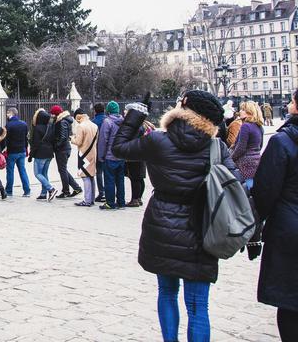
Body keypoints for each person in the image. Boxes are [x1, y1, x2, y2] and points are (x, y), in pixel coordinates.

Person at [113, 90, 242, 342]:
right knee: (197, 306)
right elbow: (236, 185)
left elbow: (119, 148)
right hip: (202, 227)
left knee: (167, 292)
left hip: (163, 223)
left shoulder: (159, 141)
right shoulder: (216, 147)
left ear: (183, 108)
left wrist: (136, 114)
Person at [253, 88, 298, 341]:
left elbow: (265, 189)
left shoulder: (283, 141)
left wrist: (258, 221)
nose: (289, 104)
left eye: (292, 100)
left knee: (290, 302)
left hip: (289, 229)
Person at [97, 101, 126, 210]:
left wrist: (101, 156)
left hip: (109, 156)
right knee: (120, 180)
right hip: (121, 155)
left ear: (108, 110)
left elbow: (103, 141)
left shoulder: (107, 122)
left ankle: (110, 202)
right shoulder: (123, 121)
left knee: (109, 180)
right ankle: (121, 202)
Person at [232, 100, 264, 190]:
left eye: (243, 109)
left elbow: (240, 148)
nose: (240, 111)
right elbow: (260, 146)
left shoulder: (245, 126)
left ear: (249, 112)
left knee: (246, 190)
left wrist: (230, 159)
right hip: (257, 162)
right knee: (254, 189)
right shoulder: (259, 126)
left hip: (245, 164)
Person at [50, 105, 81, 198]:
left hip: (62, 149)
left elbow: (63, 137)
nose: (52, 116)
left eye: (53, 114)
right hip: (64, 148)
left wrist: (56, 146)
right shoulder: (63, 120)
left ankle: (66, 191)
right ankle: (76, 188)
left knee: (62, 170)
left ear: (56, 114)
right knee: (63, 170)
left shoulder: (62, 122)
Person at [71, 108, 98, 207]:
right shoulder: (94, 125)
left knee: (85, 176)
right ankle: (92, 199)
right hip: (93, 153)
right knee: (91, 176)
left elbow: (78, 142)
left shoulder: (81, 126)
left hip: (84, 155)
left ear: (78, 117)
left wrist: (72, 139)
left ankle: (87, 200)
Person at [29, 108, 56, 201]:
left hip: (40, 154)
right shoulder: (50, 127)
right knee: (44, 173)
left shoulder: (37, 128)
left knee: (37, 174)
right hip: (49, 153)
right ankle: (43, 193)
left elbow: (35, 144)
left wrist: (31, 155)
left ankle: (51, 189)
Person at [4, 107, 31, 197]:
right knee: (22, 170)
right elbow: (26, 138)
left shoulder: (8, 125)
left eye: (8, 113)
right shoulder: (23, 124)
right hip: (22, 150)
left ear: (11, 113)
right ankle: (27, 190)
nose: (6, 115)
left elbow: (6, 140)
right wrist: (26, 148)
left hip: (12, 152)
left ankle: (9, 191)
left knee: (10, 171)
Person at [92, 103, 108, 202]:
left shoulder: (94, 122)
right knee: (108, 172)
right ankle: (108, 192)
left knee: (99, 171)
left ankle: (101, 193)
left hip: (98, 149)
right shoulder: (108, 120)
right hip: (108, 149)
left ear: (95, 111)